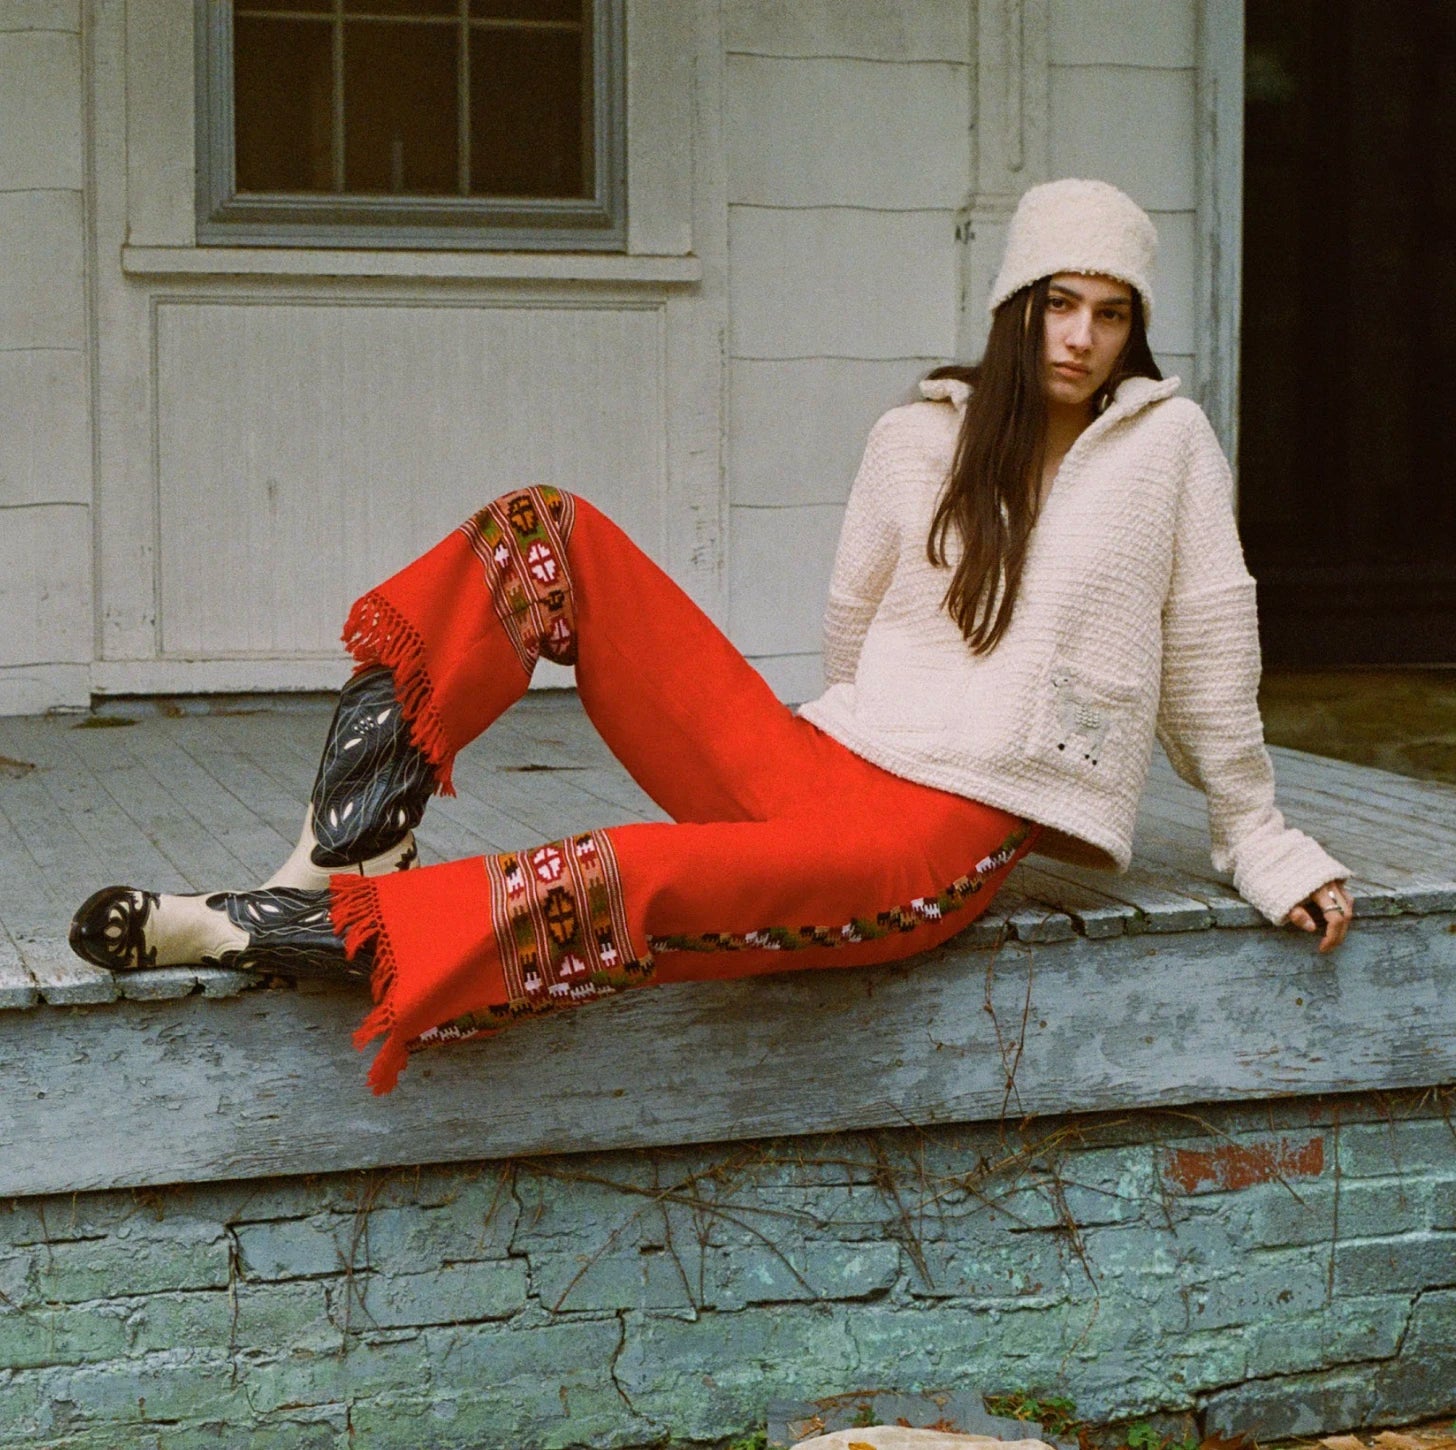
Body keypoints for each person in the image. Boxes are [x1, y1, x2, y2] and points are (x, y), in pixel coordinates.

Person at [69, 178, 1352, 1094]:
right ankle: (336, 851)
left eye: (1112, 312)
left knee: (640, 870)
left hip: (940, 832)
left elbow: (1207, 653)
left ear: (1136, 329)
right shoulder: (918, 439)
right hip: (830, 762)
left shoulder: (1167, 450)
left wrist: (1258, 839)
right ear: (1015, 306)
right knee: (544, 527)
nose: (1080, 338)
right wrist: (801, 775)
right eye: (1058, 303)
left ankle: (261, 929)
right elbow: (851, 632)